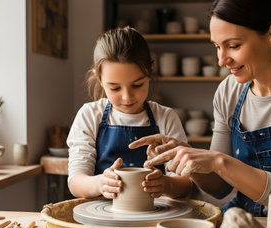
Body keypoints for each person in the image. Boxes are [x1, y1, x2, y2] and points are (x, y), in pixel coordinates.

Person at [129, 0, 271, 221]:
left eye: (233, 45)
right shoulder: (229, 91)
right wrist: (188, 158)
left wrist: (217, 161)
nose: (221, 60)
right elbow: (220, 187)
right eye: (217, 46)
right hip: (246, 219)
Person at [67, 26, 192, 200]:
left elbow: (185, 183)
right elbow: (76, 182)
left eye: (137, 85)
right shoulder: (90, 115)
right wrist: (99, 183)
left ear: (151, 70)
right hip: (102, 216)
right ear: (99, 79)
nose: (127, 97)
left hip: (153, 215)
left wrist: (166, 184)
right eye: (115, 87)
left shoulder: (166, 117)